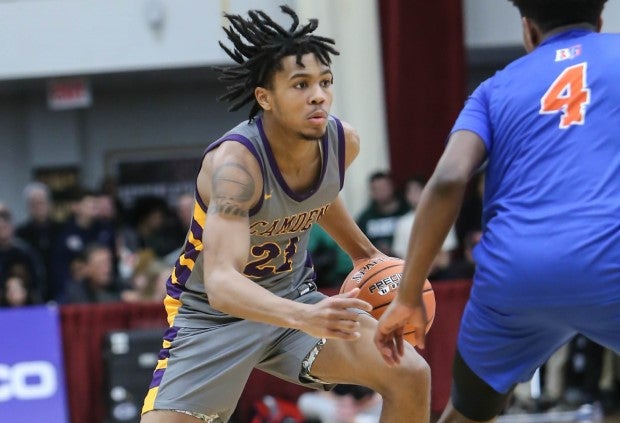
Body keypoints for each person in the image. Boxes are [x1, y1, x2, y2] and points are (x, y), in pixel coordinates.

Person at [141, 6, 430, 423]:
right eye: (300, 84)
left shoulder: (342, 142)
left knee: (409, 373)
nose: (318, 95)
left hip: (293, 299)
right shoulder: (237, 168)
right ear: (265, 98)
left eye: (325, 82)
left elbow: (318, 195)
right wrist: (308, 316)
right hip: (214, 318)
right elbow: (222, 282)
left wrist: (366, 255)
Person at [374, 1, 620, 422]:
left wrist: (408, 293)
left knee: (468, 413)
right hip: (610, 259)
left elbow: (449, 178)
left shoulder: (494, 88)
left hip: (515, 274)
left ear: (529, 31)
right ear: (599, 22)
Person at [356, 171, 409, 256]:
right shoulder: (365, 218)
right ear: (371, 192)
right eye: (376, 189)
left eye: (383, 187)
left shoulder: (407, 212)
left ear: (392, 186)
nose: (381, 192)